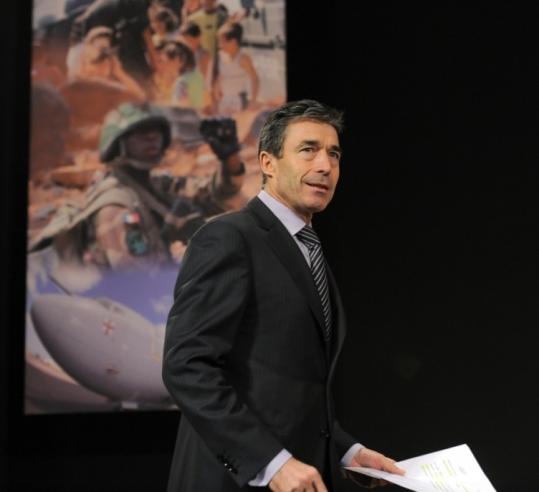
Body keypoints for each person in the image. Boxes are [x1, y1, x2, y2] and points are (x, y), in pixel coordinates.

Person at [162, 99, 404, 491]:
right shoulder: (228, 238)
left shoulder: (307, 247)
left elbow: (288, 390)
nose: (325, 165)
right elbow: (187, 367)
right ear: (268, 163)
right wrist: (271, 464)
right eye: (308, 149)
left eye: (334, 154)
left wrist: (346, 451)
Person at [29, 102, 246, 269]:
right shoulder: (115, 205)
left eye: (156, 131)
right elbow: (136, 283)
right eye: (142, 132)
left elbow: (217, 196)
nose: (153, 137)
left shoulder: (154, 185)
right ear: (118, 143)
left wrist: (230, 158)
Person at [214, 21, 259, 115]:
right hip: (224, 100)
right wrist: (217, 88)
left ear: (233, 42)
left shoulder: (243, 58)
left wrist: (253, 100)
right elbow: (219, 77)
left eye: (222, 42)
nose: (219, 45)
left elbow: (254, 78)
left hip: (239, 100)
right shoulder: (221, 56)